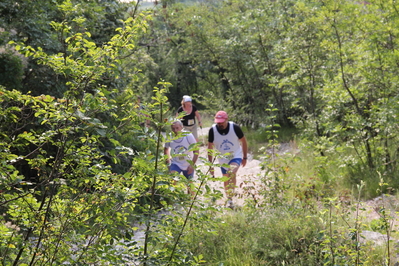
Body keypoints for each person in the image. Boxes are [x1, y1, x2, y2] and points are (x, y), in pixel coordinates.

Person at [207, 111, 248, 208]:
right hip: (222, 159)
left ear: (226, 119)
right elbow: (210, 148)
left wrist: (245, 157)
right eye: (218, 122)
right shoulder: (212, 130)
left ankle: (230, 198)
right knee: (226, 178)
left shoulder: (235, 127)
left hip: (235, 155)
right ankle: (229, 199)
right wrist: (210, 165)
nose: (220, 124)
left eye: (221, 122)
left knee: (231, 172)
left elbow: (243, 141)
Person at [164, 120, 199, 195]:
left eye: (177, 128)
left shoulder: (188, 136)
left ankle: (190, 202)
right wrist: (168, 163)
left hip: (188, 163)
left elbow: (196, 151)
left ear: (182, 127)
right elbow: (166, 149)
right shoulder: (169, 137)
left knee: (190, 185)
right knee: (173, 180)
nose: (175, 131)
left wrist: (192, 164)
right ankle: (174, 201)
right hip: (176, 163)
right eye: (173, 128)